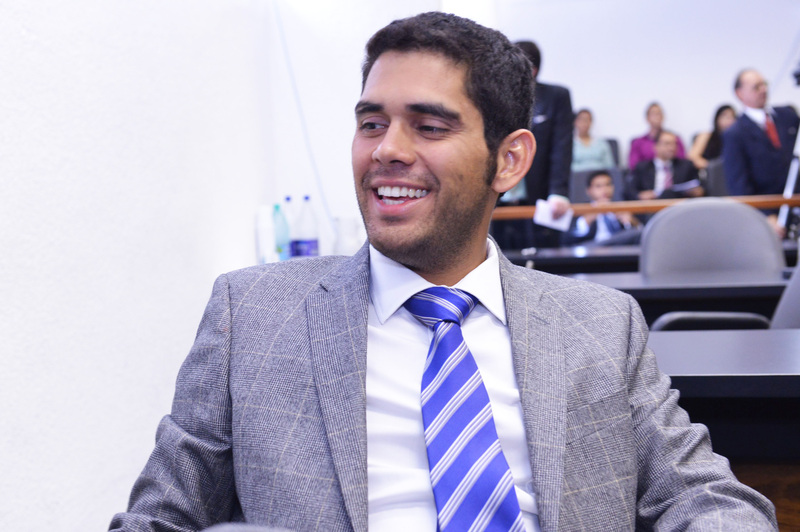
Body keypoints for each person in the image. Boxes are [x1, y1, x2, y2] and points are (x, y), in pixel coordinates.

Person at [110, 12, 777, 532]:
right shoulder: (252, 317)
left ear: (510, 161)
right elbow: (157, 519)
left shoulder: (600, 325)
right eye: (372, 123)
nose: (387, 150)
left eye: (429, 127)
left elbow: (705, 498)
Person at [491, 40, 573, 249]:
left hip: (539, 196)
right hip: (498, 197)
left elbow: (561, 148)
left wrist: (558, 192)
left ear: (532, 70)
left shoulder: (556, 97)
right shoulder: (491, 95)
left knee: (543, 258)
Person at [562, 170, 639, 246]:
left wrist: (632, 222)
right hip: (593, 248)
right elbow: (567, 239)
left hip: (619, 248)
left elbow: (636, 234)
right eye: (598, 186)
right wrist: (587, 219)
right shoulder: (580, 210)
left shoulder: (620, 207)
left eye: (608, 184)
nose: (604, 189)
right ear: (589, 190)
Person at [627, 130, 704, 201]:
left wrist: (697, 191)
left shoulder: (686, 166)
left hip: (679, 205)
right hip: (651, 206)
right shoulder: (643, 167)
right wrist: (640, 195)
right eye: (667, 144)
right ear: (656, 146)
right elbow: (630, 190)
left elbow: (698, 186)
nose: (671, 148)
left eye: (674, 144)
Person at [628, 102, 686, 169]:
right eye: (653, 114)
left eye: (659, 113)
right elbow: (634, 166)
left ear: (663, 117)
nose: (657, 117)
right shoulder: (638, 142)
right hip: (647, 174)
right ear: (647, 118)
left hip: (672, 173)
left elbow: (682, 163)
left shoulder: (674, 139)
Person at [687, 104, 737, 170]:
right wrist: (712, 166)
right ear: (717, 118)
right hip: (707, 171)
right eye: (725, 116)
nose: (729, 121)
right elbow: (692, 157)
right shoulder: (706, 136)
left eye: (732, 117)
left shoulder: (736, 139)